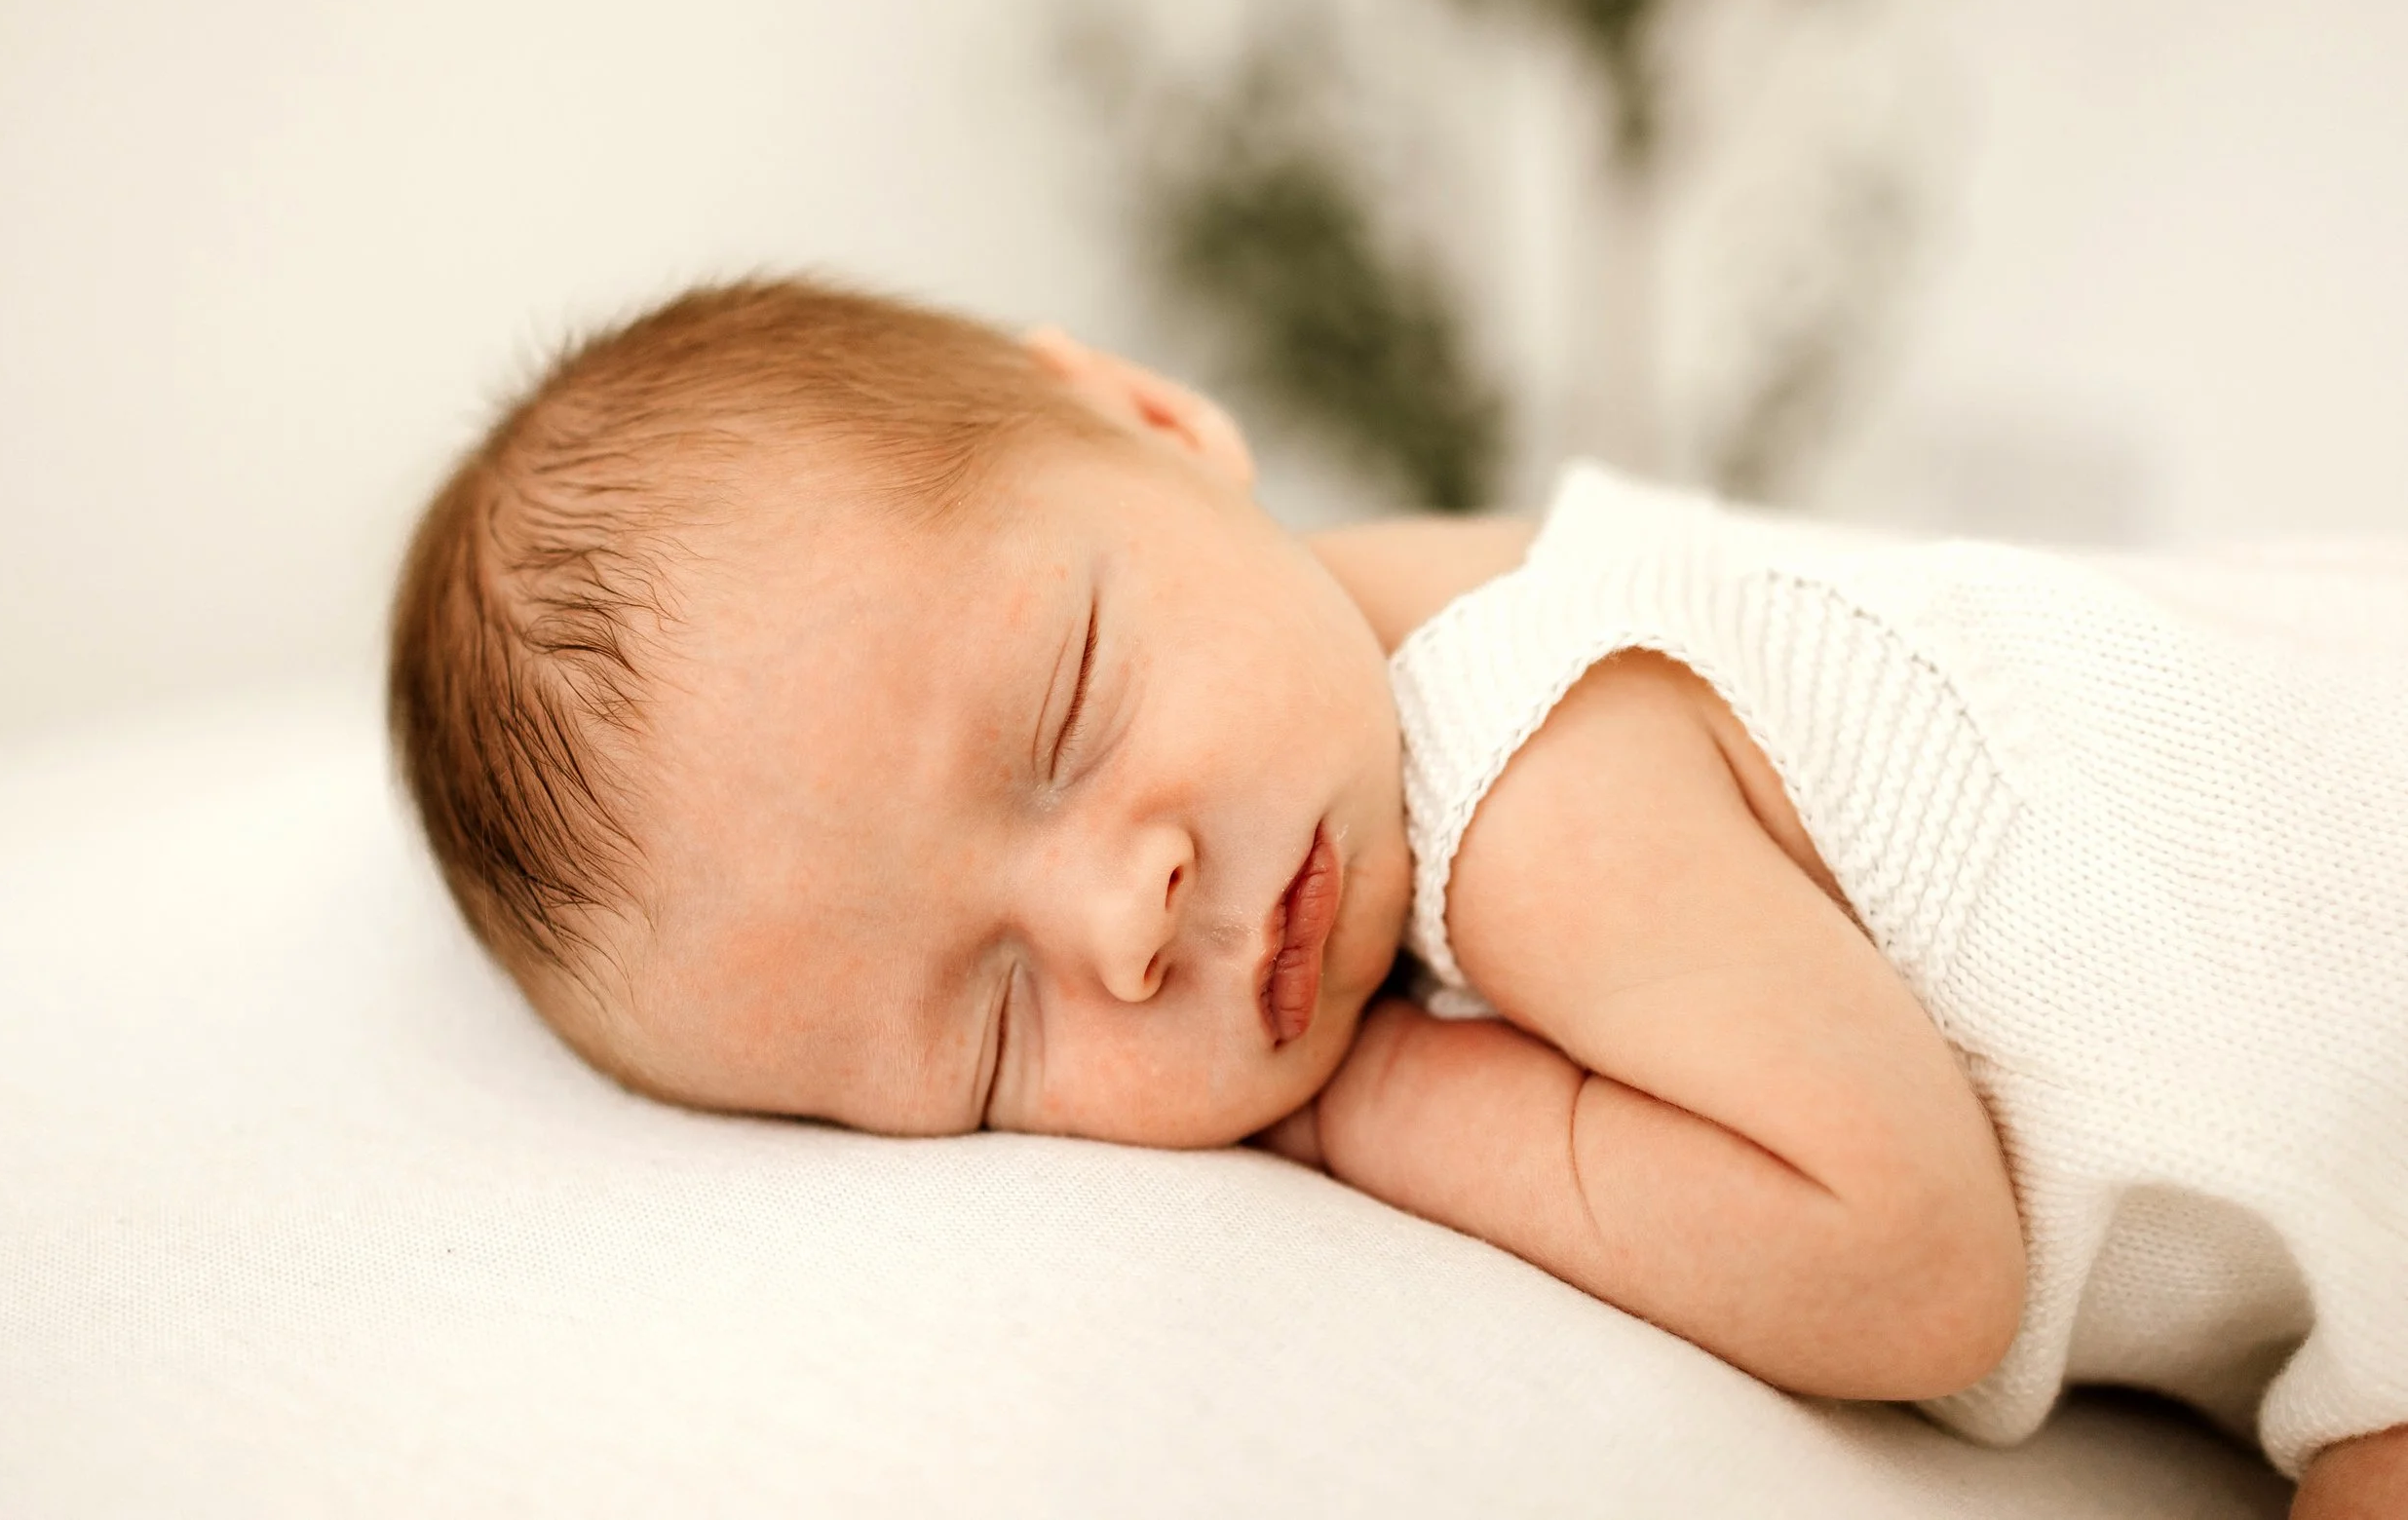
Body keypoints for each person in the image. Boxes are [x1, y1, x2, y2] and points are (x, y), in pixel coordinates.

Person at [390, 277, 2407, 1517]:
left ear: (1152, 420)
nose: (1118, 918)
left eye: (1066, 713)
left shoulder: (1531, 778)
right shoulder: (1424, 599)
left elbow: (1910, 1259)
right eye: (997, 1028)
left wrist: (1386, 1108)